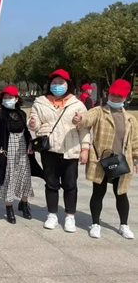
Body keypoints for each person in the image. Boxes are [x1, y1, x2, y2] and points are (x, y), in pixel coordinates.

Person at [73, 79, 138, 239]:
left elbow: (135, 141)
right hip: (102, 161)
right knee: (98, 192)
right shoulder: (99, 112)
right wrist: (79, 119)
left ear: (125, 97)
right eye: (113, 94)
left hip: (122, 162)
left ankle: (124, 225)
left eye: (119, 96)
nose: (115, 98)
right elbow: (87, 118)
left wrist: (136, 158)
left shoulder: (130, 119)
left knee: (121, 193)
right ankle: (95, 224)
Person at [28, 69, 90, 232]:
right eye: (54, 83)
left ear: (67, 84)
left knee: (70, 184)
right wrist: (33, 123)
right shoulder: (40, 102)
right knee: (51, 183)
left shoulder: (77, 104)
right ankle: (52, 215)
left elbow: (84, 128)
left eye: (61, 83)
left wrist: (85, 148)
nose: (57, 86)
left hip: (70, 149)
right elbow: (35, 125)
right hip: (49, 150)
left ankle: (70, 216)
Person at [0, 86, 43, 224]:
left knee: (25, 176)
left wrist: (30, 144)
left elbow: (26, 130)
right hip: (8, 148)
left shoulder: (21, 114)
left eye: (10, 97)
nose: (7, 100)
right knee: (9, 177)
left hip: (22, 148)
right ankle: (9, 207)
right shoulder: (2, 113)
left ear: (16, 99)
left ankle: (24, 203)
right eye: (5, 97)